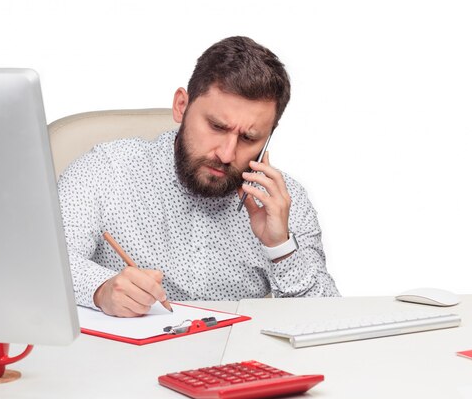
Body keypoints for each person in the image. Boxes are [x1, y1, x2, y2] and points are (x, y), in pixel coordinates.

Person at [58, 36, 339, 317]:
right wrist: (100, 289)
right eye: (217, 126)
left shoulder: (284, 202)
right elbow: (43, 264)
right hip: (125, 356)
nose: (227, 154)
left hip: (234, 357)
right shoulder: (106, 170)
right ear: (181, 105)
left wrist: (281, 248)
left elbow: (326, 319)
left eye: (249, 137)